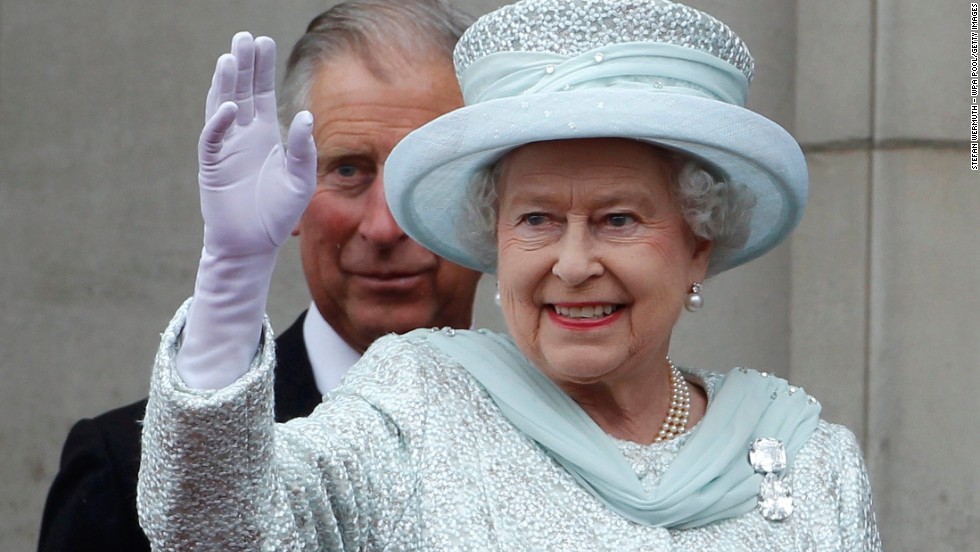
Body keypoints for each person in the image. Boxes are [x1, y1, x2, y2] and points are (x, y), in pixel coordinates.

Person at [138, 0, 882, 549]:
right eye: (536, 220)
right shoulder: (416, 406)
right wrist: (232, 275)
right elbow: (215, 526)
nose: (573, 263)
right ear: (494, 243)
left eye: (618, 219)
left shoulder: (810, 462)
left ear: (699, 245)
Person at [37, 2, 479, 550]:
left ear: (491, 201)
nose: (384, 226)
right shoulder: (127, 471)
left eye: (424, 173)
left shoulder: (582, 430)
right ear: (288, 191)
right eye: (346, 169)